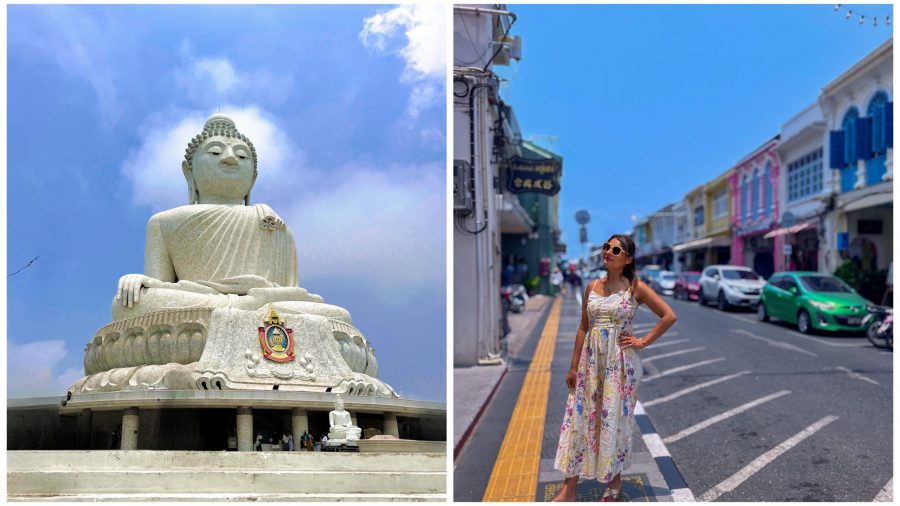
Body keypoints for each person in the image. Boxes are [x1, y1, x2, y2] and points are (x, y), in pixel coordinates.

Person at [551, 235, 677, 502]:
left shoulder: (635, 288)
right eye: (606, 247)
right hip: (590, 363)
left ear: (628, 258)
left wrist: (642, 341)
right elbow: (583, 327)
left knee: (614, 423)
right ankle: (568, 488)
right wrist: (573, 367)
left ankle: (613, 485)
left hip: (620, 367)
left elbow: (668, 316)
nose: (608, 251)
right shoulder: (592, 286)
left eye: (615, 249)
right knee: (579, 420)